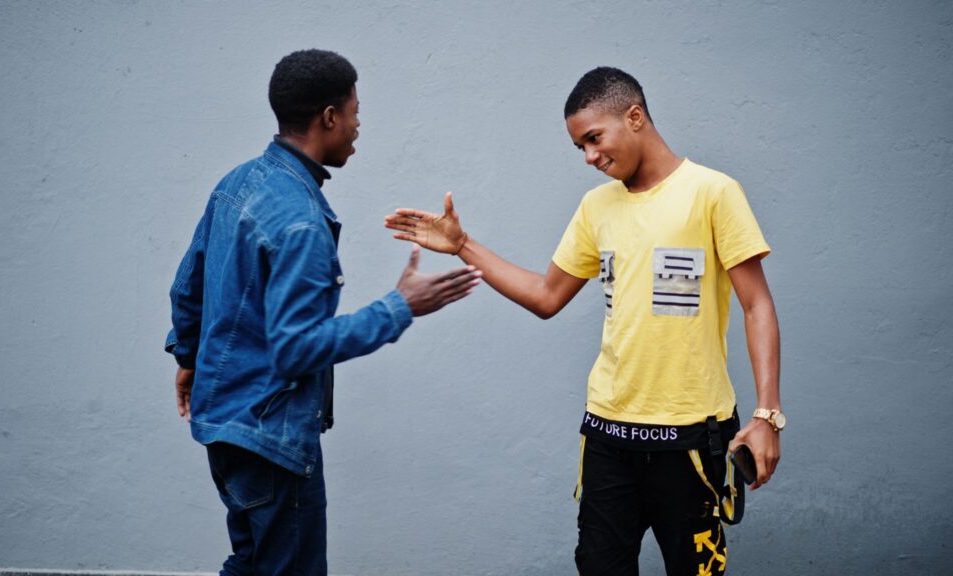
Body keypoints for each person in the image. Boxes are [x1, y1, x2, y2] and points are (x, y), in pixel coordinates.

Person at [384, 67, 782, 576]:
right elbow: (546, 296)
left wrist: (767, 414)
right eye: (580, 148)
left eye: (594, 139)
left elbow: (757, 306)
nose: (590, 158)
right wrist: (463, 246)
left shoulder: (713, 193)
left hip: (689, 441)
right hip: (608, 438)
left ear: (634, 117)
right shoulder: (597, 207)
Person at [165, 49, 481, 576]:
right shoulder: (301, 220)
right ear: (329, 117)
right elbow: (296, 348)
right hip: (270, 438)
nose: (359, 126)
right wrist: (400, 307)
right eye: (355, 111)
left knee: (251, 563)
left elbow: (188, 283)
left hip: (224, 425)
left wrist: (188, 355)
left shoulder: (237, 183)